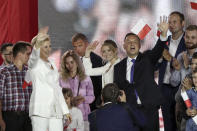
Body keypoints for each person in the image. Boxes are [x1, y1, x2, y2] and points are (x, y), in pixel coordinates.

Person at [114, 16, 168, 131]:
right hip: (130, 110)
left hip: (149, 108)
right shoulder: (118, 67)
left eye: (135, 42)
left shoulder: (147, 58)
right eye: (129, 42)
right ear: (124, 46)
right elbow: (118, 88)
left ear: (139, 45)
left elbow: (158, 49)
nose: (132, 44)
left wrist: (163, 35)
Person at [28, 33, 70, 131]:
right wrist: (36, 47)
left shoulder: (52, 63)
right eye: (44, 47)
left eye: (49, 46)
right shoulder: (34, 64)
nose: (48, 49)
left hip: (56, 110)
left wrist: (65, 110)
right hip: (40, 109)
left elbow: (57, 88)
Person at [157, 11, 186, 131]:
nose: (171, 25)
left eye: (175, 22)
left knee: (181, 121)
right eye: (169, 22)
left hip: (180, 87)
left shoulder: (188, 41)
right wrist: (158, 58)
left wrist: (170, 58)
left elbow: (186, 65)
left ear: (183, 23)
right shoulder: (163, 41)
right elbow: (154, 65)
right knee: (167, 122)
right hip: (164, 87)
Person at [0, 42, 32, 131]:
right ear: (19, 54)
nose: (29, 56)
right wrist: (0, 120)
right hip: (10, 118)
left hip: (27, 118)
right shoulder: (4, 72)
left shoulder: (30, 72)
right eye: (28, 54)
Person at [59, 50, 94, 131]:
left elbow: (92, 97)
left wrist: (83, 99)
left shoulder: (86, 78)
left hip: (84, 117)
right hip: (66, 117)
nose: (70, 65)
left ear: (77, 62)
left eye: (72, 62)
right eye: (67, 63)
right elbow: (58, 97)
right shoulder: (61, 79)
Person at [72, 33, 103, 111]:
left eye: (80, 45)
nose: (77, 49)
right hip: (74, 105)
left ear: (87, 45)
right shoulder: (71, 60)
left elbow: (100, 84)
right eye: (75, 47)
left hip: (92, 105)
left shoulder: (97, 60)